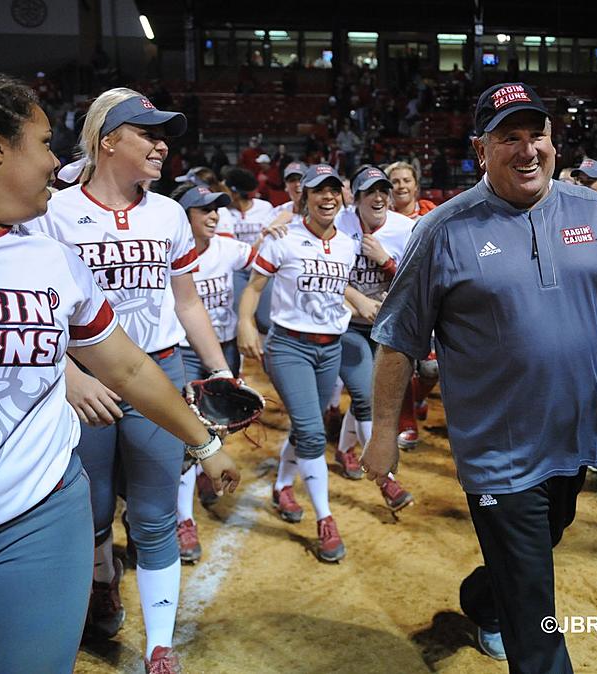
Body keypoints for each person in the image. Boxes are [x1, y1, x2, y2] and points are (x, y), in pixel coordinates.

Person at [362, 82, 597, 671]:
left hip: (576, 437)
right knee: (537, 619)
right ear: (480, 149)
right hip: (498, 449)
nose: (527, 150)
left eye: (536, 134)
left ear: (553, 140)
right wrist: (384, 431)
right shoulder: (442, 230)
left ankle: (483, 598)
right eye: (508, 138)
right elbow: (397, 341)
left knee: (535, 551)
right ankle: (515, 616)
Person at [24, 87, 243, 673]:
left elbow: (189, 302)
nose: (160, 142)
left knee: (152, 513)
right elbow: (38, 310)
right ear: (108, 140)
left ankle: (159, 646)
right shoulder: (53, 212)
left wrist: (219, 369)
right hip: (83, 383)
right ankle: (103, 581)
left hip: (159, 372)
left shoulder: (169, 213)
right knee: (93, 510)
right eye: (146, 132)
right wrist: (69, 373)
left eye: (161, 133)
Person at [238, 164, 360, 562]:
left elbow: (342, 289)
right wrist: (245, 326)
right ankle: (326, 520)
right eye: (317, 191)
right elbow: (254, 290)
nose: (327, 197)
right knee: (311, 432)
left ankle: (282, 485)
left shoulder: (348, 244)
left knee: (307, 426)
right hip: (289, 347)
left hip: (331, 349)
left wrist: (366, 305)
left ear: (341, 197)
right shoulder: (283, 239)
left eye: (333, 191)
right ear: (303, 198)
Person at [170, 183, 257, 562]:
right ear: (183, 216)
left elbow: (268, 263)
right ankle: (184, 520)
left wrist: (283, 228)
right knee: (188, 438)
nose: (213, 216)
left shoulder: (228, 247)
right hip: (186, 352)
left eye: (216, 210)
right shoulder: (169, 251)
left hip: (222, 349)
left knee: (221, 423)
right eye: (203, 210)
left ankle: (208, 468)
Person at [334, 165, 415, 511]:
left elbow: (414, 279)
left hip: (386, 327)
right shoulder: (338, 225)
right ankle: (386, 481)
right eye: (371, 192)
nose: (380, 197)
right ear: (357, 199)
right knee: (367, 394)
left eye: (384, 190)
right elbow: (323, 273)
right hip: (346, 325)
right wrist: (358, 299)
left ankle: (343, 449)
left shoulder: (405, 228)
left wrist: (385, 262)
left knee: (367, 394)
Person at [385, 159, 440, 449]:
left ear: (416, 185)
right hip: (397, 302)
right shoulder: (380, 217)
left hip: (430, 298)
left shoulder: (432, 212)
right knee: (401, 364)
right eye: (395, 182)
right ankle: (406, 422)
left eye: (406, 180)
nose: (401, 186)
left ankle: (418, 394)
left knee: (432, 369)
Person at [217, 167, 277, 332]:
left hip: (262, 269)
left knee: (266, 320)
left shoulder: (265, 207)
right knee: (238, 317)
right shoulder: (222, 211)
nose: (222, 187)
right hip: (237, 270)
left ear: (235, 193)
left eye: (226, 187)